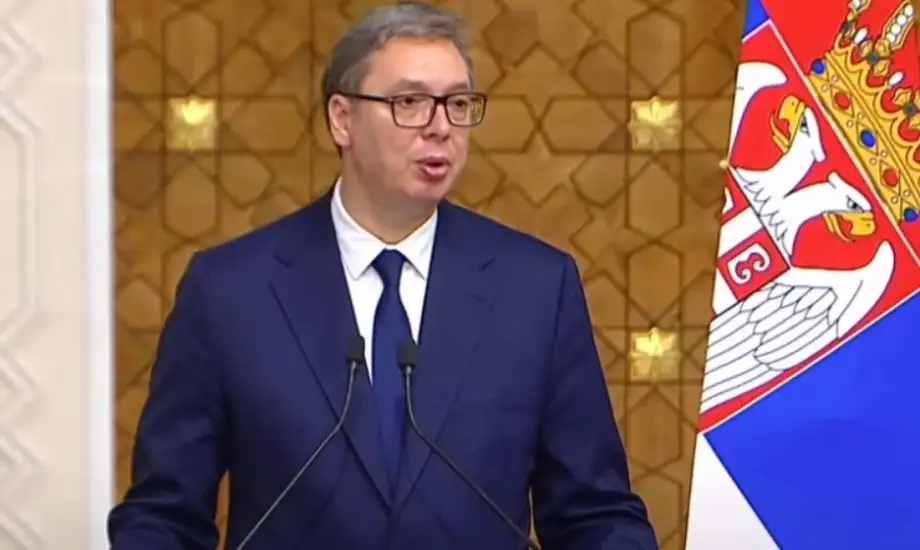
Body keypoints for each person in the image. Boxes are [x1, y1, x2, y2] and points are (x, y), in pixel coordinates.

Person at [107, 3, 658, 549]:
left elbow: (595, 515)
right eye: (409, 102)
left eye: (457, 103)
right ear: (342, 119)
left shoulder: (535, 289)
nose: (440, 128)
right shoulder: (230, 291)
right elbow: (165, 516)